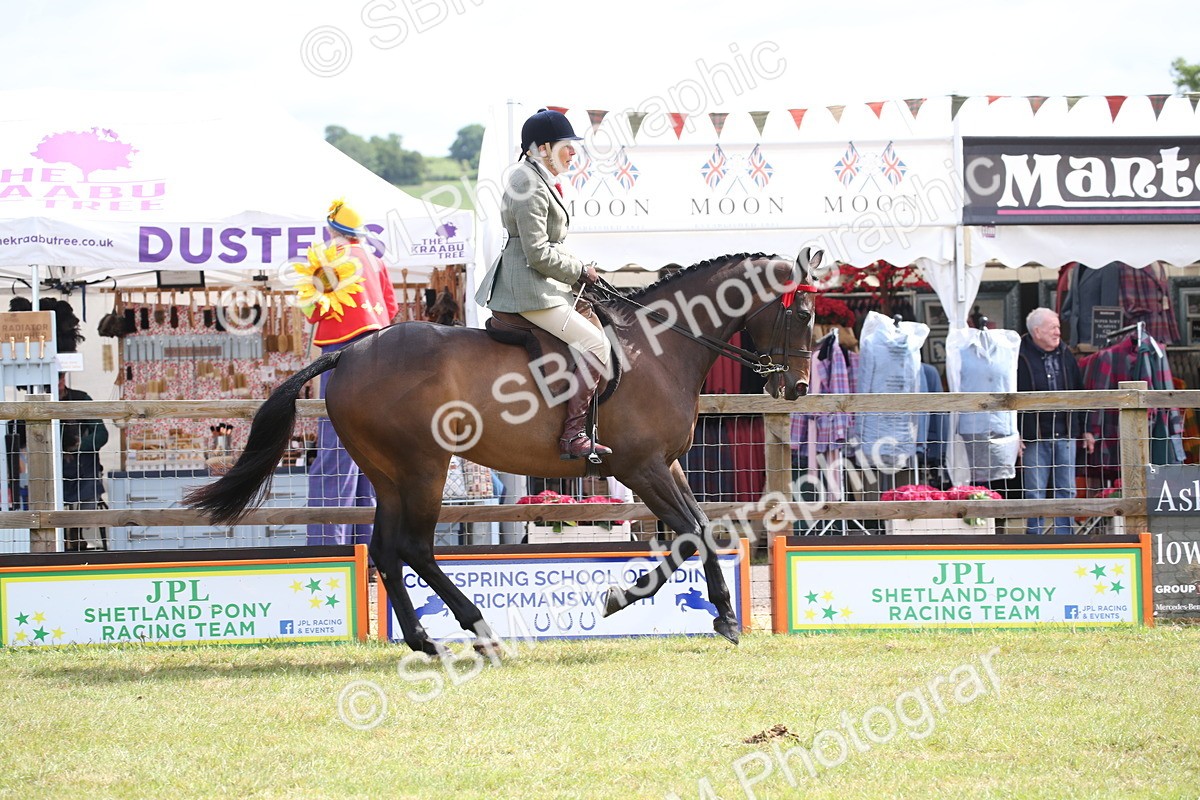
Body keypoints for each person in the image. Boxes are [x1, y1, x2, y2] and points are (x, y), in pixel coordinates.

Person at [474, 108, 612, 460]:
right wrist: (580, 270)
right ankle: (573, 435)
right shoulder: (527, 182)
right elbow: (536, 253)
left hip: (542, 284)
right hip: (530, 289)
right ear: (544, 147)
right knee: (597, 346)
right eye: (568, 146)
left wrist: (580, 271)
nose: (574, 153)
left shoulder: (536, 177)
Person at [298, 199, 398, 545]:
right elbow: (391, 307)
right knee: (373, 452)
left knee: (334, 454)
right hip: (380, 355)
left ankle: (329, 548)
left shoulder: (328, 259)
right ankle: (368, 548)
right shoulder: (376, 259)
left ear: (332, 230)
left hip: (340, 356)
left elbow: (312, 310)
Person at [1016, 308, 1095, 535]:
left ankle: (1065, 540)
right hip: (1033, 435)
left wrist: (1086, 429)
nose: (1058, 331)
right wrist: (1015, 433)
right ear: (1037, 331)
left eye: (1058, 326)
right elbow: (1009, 397)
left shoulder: (1066, 354)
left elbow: (1081, 393)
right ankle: (1035, 541)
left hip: (1067, 432)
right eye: (1053, 327)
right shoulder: (1018, 356)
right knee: (1034, 492)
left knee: (1067, 491)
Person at [59, 373, 109, 551]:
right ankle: (66, 534)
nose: (59, 382)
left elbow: (101, 434)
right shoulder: (37, 399)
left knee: (88, 488)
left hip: (83, 466)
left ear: (64, 378)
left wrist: (78, 446)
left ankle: (77, 531)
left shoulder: (81, 398)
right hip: (56, 466)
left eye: (61, 377)